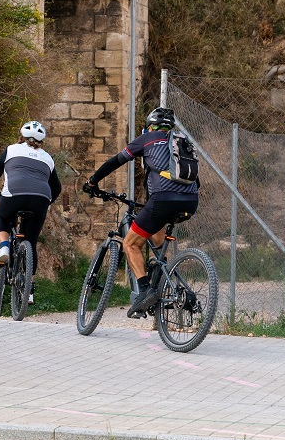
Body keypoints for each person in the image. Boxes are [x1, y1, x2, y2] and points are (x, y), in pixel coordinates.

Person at [83, 107, 199, 318]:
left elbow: (114, 162)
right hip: (190, 201)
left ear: (150, 126)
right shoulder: (183, 141)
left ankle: (145, 291)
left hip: (162, 199)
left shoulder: (146, 139)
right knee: (156, 235)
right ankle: (165, 278)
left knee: (130, 243)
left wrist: (92, 182)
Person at [0, 121, 62, 304]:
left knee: (2, 217)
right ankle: (30, 289)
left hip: (14, 194)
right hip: (41, 198)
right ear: (42, 141)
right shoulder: (48, 158)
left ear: (21, 137)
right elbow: (57, 188)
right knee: (31, 241)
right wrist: (45, 203)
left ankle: (4, 246)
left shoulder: (11, 149)